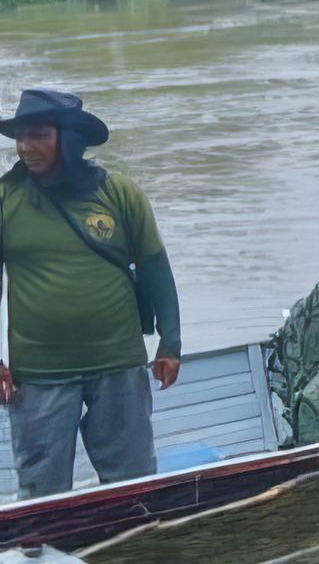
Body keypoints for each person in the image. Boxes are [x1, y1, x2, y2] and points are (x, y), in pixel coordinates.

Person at [0, 88, 181, 498]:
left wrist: (171, 343)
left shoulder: (119, 193)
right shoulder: (6, 199)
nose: (26, 147)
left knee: (132, 486)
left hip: (118, 364)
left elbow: (154, 266)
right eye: (20, 136)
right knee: (42, 494)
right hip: (40, 374)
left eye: (39, 135)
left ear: (69, 138)